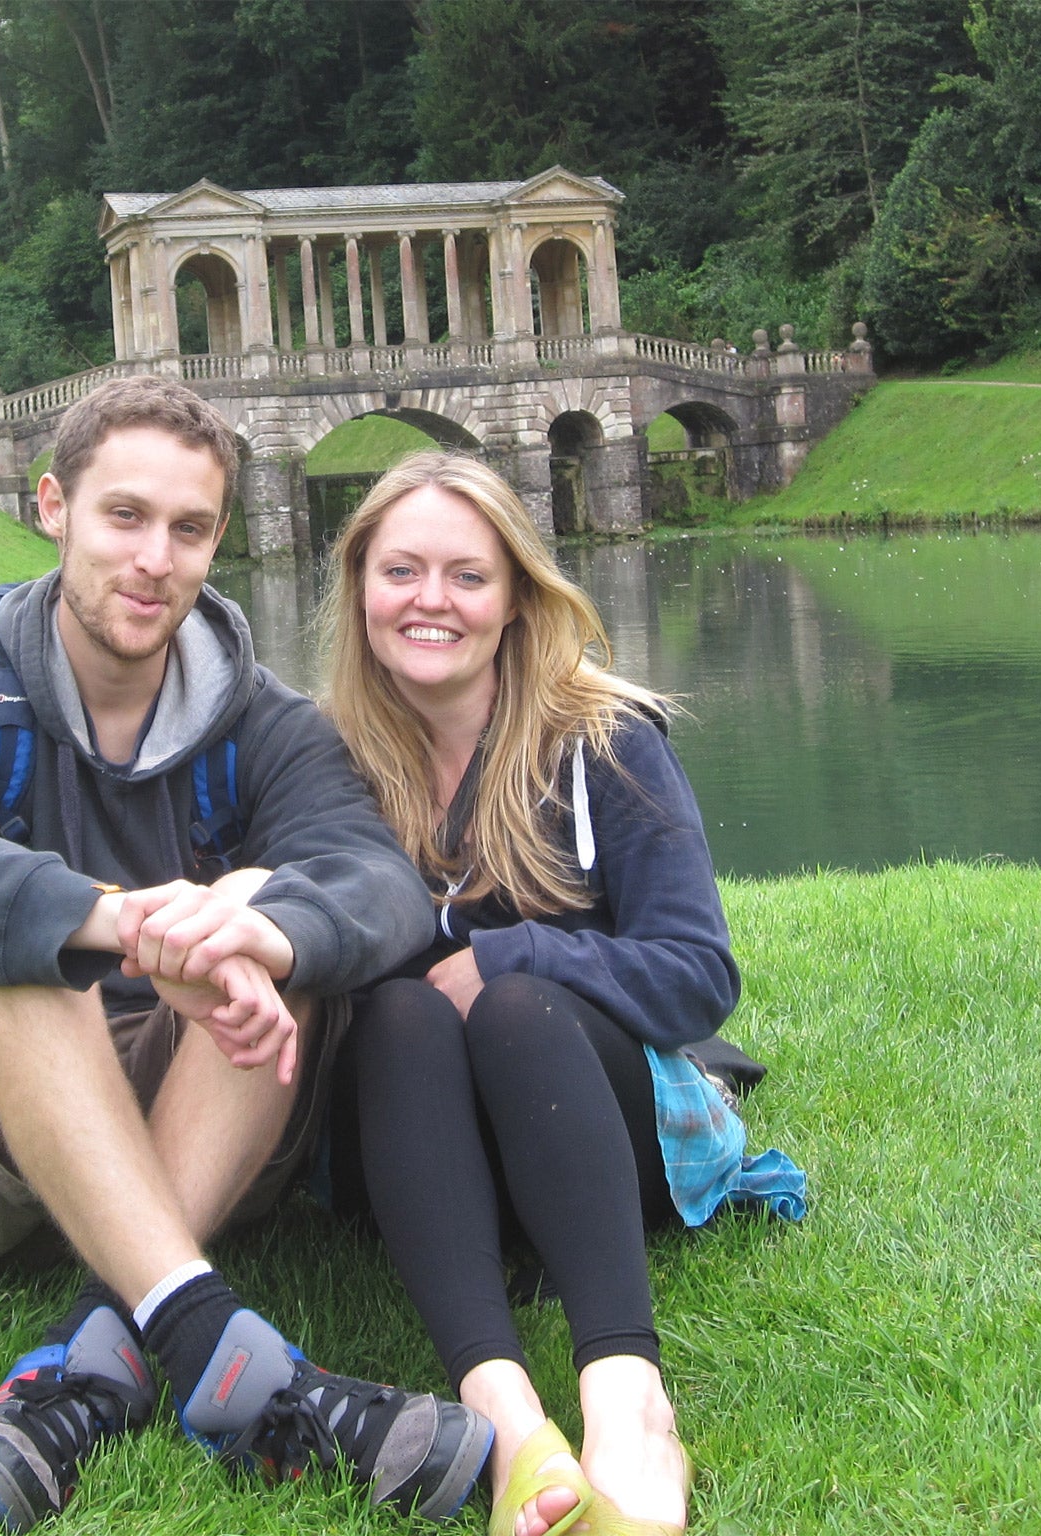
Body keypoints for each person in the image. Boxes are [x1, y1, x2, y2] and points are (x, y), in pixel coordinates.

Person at [0, 378, 492, 1533]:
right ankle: (226, 1358)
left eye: (187, 529)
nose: (153, 559)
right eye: (122, 517)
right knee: (20, 949)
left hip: (203, 1110)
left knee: (266, 945)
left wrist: (256, 924)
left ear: (217, 538)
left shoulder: (266, 723)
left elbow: (378, 881)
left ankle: (93, 1357)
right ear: (52, 507)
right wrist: (128, 920)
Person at [318, 453, 806, 1536]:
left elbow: (697, 976)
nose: (430, 601)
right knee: (397, 1012)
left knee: (516, 1006)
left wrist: (512, 956)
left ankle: (625, 1403)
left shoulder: (602, 739)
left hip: (581, 1128)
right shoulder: (324, 757)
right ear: (358, 587)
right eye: (400, 571)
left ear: (515, 599)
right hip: (412, 1148)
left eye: (466, 576)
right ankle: (502, 1422)